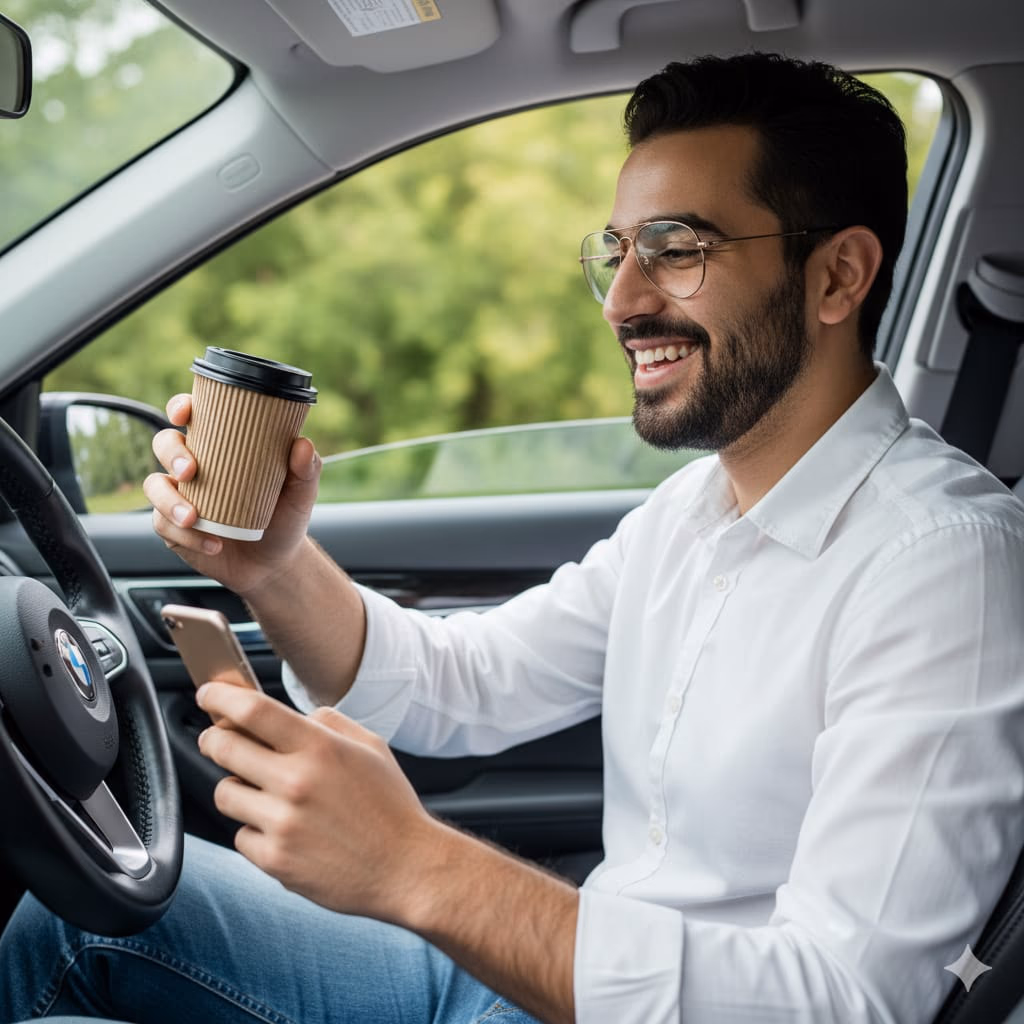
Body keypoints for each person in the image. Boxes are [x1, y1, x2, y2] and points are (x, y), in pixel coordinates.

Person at [2, 51, 1023, 1024]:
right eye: (617, 252)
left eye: (677, 250)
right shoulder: (692, 512)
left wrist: (419, 867)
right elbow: (465, 681)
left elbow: (839, 1003)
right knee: (74, 917)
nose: (623, 301)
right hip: (528, 982)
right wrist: (270, 562)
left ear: (838, 277)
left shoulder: (946, 568)